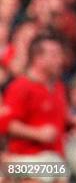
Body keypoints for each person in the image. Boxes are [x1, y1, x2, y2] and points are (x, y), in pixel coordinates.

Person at [0, 33, 69, 169]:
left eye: (60, 55)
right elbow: (5, 124)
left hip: (55, 157)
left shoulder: (58, 87)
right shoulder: (21, 86)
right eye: (54, 55)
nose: (60, 60)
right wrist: (37, 133)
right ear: (38, 58)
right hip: (26, 158)